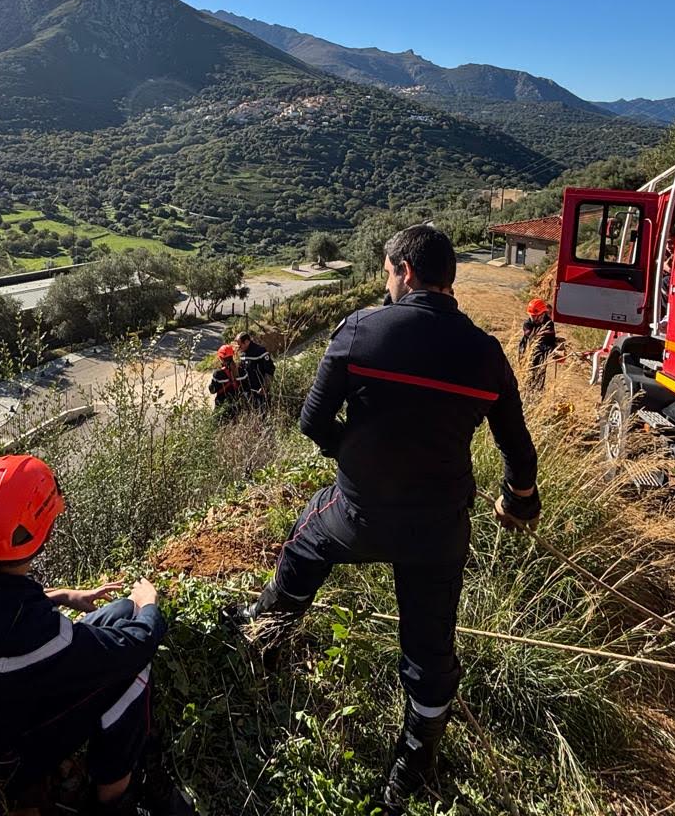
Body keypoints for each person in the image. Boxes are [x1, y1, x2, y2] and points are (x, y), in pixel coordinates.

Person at [238, 225, 540, 813]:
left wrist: (355, 455)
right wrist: (519, 499)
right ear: (447, 279)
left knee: (304, 543)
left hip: (359, 512)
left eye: (385, 271)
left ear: (403, 271)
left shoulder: (360, 330)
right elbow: (518, 450)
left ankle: (264, 630)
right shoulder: (485, 353)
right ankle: (413, 760)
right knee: (429, 649)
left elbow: (313, 423)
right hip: (440, 528)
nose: (385, 282)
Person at [0, 454, 184, 814]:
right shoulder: (24, 628)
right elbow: (130, 649)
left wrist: (62, 597)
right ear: (39, 529)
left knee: (119, 611)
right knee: (132, 671)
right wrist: (148, 607)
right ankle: (115, 801)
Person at [517, 298, 558, 388]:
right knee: (526, 378)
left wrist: (553, 349)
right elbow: (532, 339)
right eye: (532, 316)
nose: (533, 318)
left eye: (536, 316)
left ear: (543, 314)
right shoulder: (527, 324)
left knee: (539, 379)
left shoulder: (549, 324)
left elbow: (550, 340)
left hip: (542, 355)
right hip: (527, 353)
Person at [234, 332, 275, 411]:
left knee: (263, 414)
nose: (238, 347)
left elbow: (270, 371)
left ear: (246, 341)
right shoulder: (242, 354)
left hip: (261, 392)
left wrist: (265, 387)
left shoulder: (260, 351)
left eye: (239, 344)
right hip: (248, 393)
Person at [207, 345, 243, 417]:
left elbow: (213, 390)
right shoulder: (241, 370)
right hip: (238, 406)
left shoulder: (218, 374)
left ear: (221, 358)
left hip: (222, 407)